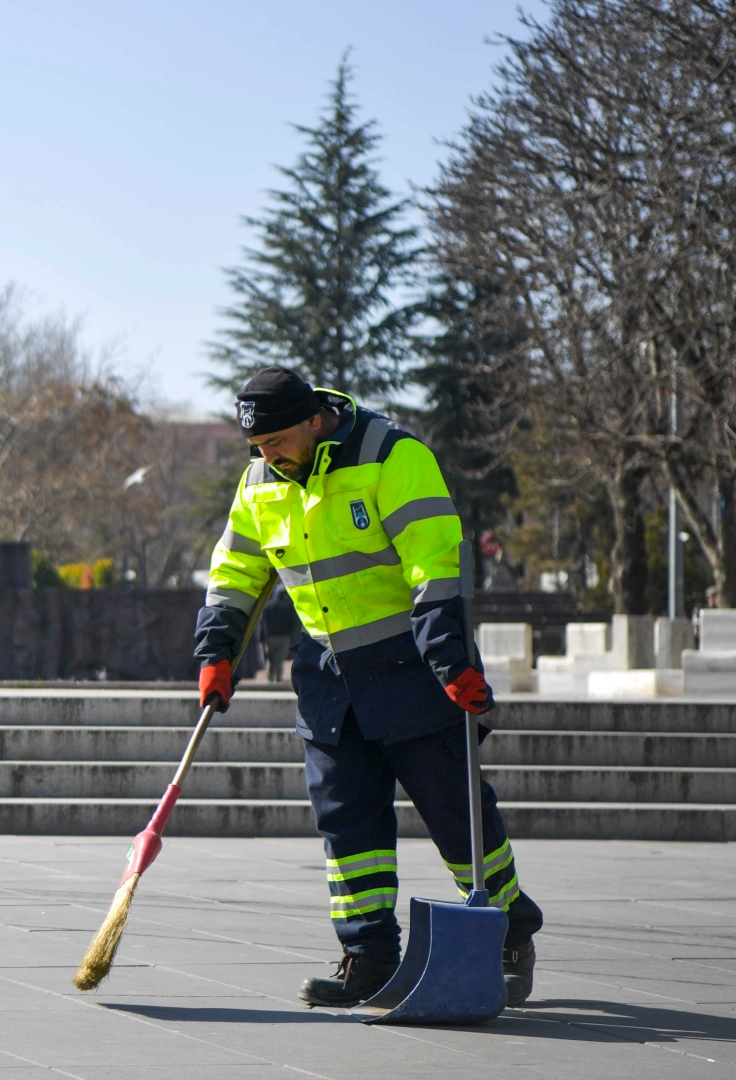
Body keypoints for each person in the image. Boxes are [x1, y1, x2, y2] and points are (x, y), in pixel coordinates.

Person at [193, 365, 542, 1009]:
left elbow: (435, 563)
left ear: (312, 418)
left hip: (410, 668)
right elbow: (237, 569)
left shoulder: (392, 457)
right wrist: (216, 652)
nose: (266, 455)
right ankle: (369, 956)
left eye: (275, 440)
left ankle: (509, 932)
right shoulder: (259, 482)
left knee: (455, 811)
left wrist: (450, 659)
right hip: (327, 677)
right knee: (346, 825)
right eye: (257, 446)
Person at [260, 587, 301, 683]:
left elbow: (263, 623)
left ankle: (270, 676)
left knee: (271, 658)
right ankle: (278, 677)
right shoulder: (289, 606)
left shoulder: (268, 606)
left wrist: (262, 637)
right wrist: (290, 633)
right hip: (284, 637)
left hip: (270, 637)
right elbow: (294, 623)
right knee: (280, 659)